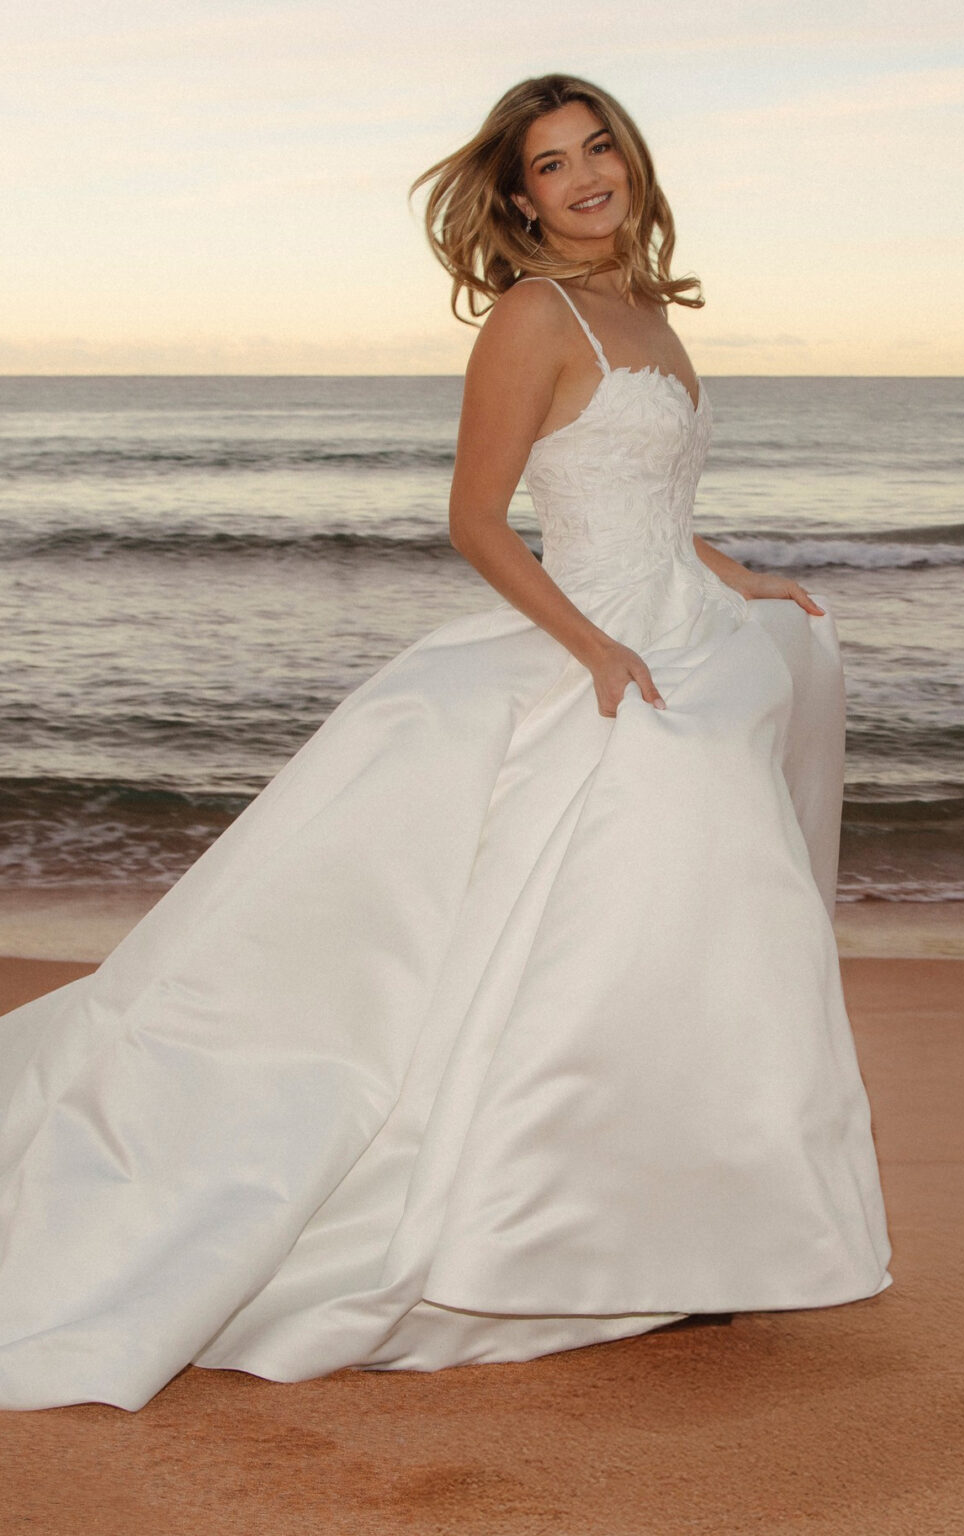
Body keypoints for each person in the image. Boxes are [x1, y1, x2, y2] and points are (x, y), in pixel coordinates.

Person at [0, 74, 891, 1414]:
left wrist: (737, 574)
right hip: (595, 648)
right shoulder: (536, 315)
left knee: (700, 926)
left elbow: (647, 502)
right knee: (604, 917)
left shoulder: (644, 308)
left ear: (632, 161)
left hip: (679, 627)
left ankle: (678, 1220)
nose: (585, 175)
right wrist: (594, 649)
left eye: (598, 147)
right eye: (553, 162)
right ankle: (536, 1226)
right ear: (519, 196)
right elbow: (479, 519)